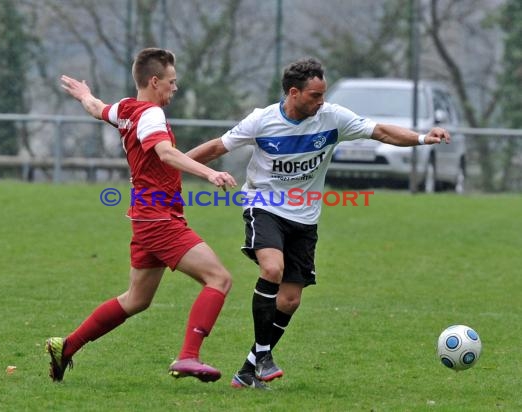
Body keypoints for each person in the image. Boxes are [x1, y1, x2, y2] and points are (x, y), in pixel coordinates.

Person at [186, 57, 451, 389]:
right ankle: (265, 355)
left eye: (323, 94)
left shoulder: (333, 118)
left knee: (290, 300)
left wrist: (424, 138)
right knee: (272, 269)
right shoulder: (262, 121)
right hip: (264, 205)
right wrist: (168, 164)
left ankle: (248, 370)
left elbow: (381, 132)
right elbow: (215, 148)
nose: (321, 101)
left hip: (305, 217)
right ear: (294, 93)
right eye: (315, 95)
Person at [46, 48, 237, 383]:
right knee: (219, 279)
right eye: (171, 81)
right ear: (154, 81)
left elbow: (96, 109)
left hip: (145, 217)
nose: (175, 88)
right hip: (159, 218)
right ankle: (188, 357)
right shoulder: (150, 116)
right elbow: (165, 152)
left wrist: (85, 95)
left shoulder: (125, 108)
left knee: (136, 300)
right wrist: (209, 174)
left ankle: (67, 346)